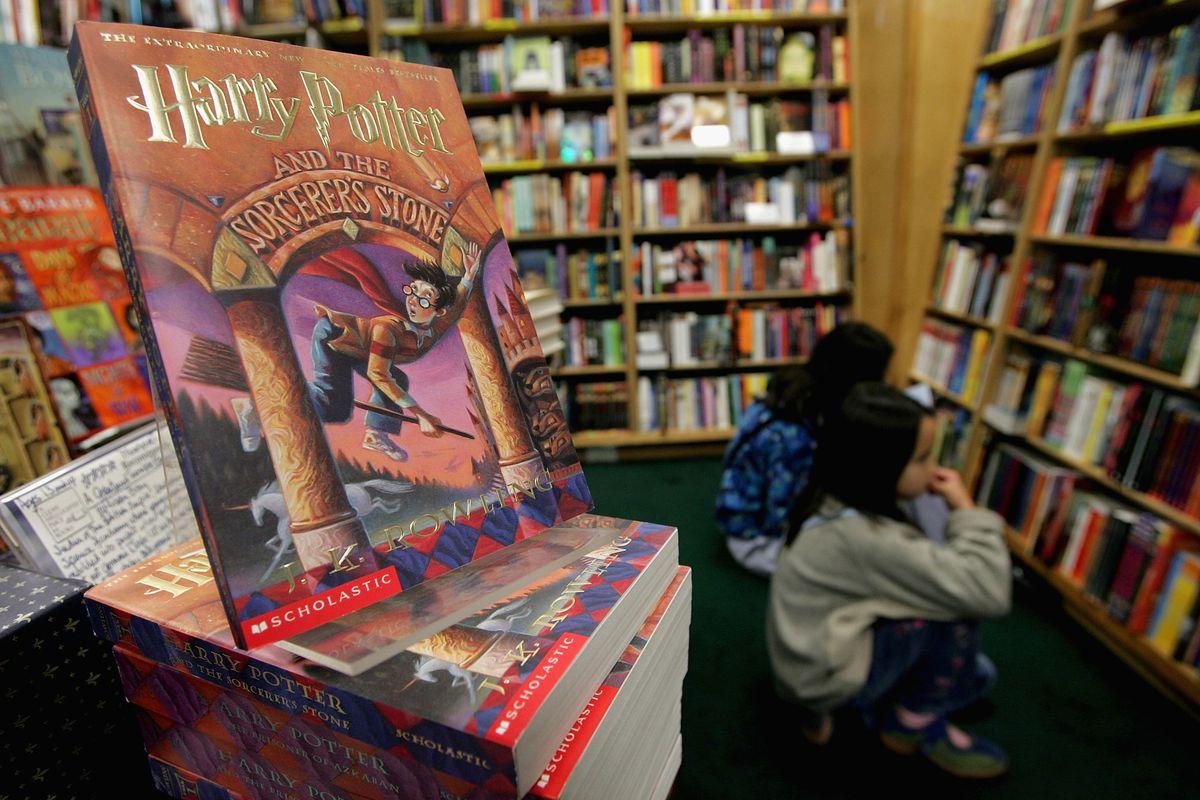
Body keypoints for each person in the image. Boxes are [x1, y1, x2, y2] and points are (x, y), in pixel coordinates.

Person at [768, 383, 1012, 779]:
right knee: (958, 617)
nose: (934, 470)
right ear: (878, 464)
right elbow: (988, 590)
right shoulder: (868, 536)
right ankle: (908, 725)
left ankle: (825, 714)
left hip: (809, 660)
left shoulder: (830, 498)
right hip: (827, 676)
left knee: (978, 672)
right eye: (921, 458)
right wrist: (966, 510)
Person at [715, 322, 894, 576]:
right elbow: (781, 515)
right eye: (882, 376)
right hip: (757, 541)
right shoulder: (796, 436)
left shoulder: (792, 392)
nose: (889, 382)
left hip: (745, 515)